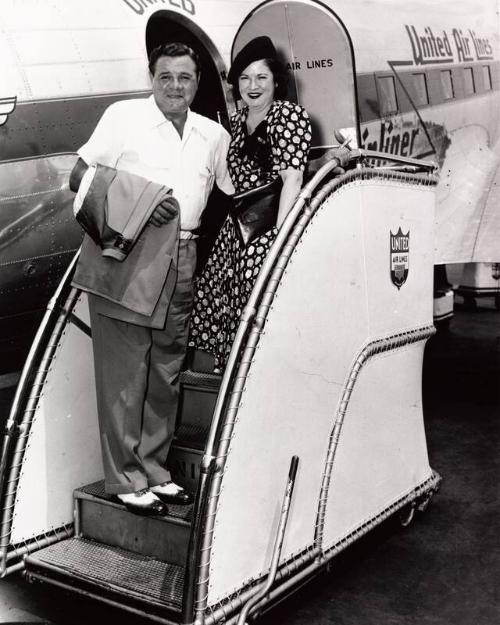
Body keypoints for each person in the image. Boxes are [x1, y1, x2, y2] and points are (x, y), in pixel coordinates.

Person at [72, 42, 233, 515]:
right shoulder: (123, 117)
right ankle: (124, 480)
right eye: (165, 77)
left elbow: (227, 193)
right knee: (125, 374)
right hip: (128, 256)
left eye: (184, 78)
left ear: (197, 82)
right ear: (151, 77)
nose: (175, 87)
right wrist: (138, 202)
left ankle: (155, 471)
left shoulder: (211, 134)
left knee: (166, 372)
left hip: (183, 255)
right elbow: (79, 175)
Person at [189, 36, 312, 371]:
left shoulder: (287, 115)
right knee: (213, 297)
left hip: (269, 227)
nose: (252, 85)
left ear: (275, 81)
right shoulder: (239, 123)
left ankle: (254, 377)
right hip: (238, 228)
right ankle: (226, 374)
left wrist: (279, 238)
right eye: (244, 78)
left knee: (253, 300)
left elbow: (293, 180)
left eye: (261, 77)